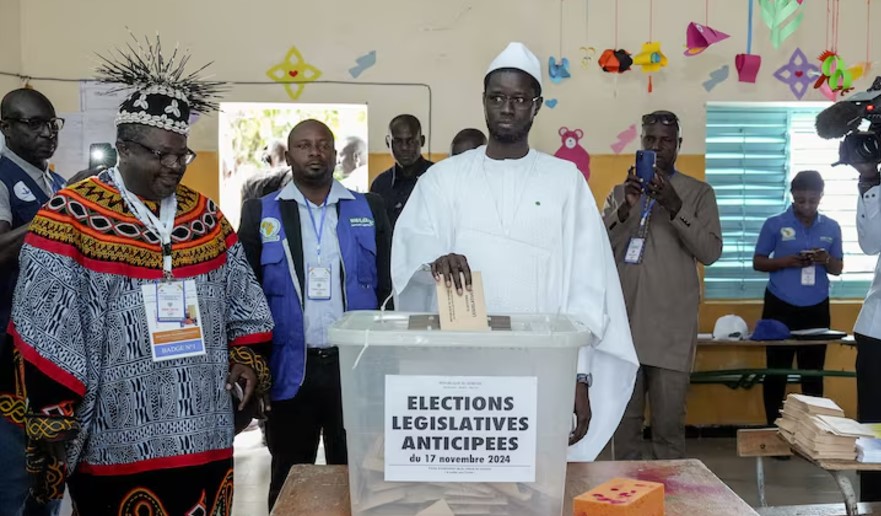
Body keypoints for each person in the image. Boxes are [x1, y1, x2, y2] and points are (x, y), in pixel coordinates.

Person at [8, 37, 275, 515]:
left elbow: (245, 301)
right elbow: (43, 321)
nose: (174, 166)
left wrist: (246, 358)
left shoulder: (205, 217)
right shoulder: (69, 216)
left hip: (203, 427)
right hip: (116, 431)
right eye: (160, 155)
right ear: (124, 150)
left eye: (182, 155)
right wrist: (55, 411)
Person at [391, 42, 639, 462]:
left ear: (537, 106)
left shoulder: (566, 182)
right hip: (461, 374)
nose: (508, 108)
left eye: (520, 99)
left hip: (543, 370)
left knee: (536, 483)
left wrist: (580, 375)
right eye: (498, 97)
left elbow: (586, 285)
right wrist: (434, 258)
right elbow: (412, 243)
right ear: (484, 102)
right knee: (467, 482)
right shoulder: (444, 179)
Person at [238, 119, 392, 510]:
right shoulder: (261, 213)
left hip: (353, 369)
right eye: (304, 146)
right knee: (289, 473)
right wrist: (254, 364)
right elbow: (246, 295)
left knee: (358, 475)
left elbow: (389, 287)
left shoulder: (367, 208)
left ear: (334, 153)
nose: (315, 152)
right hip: (291, 368)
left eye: (323, 144)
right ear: (289, 156)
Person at [0, 88, 98, 516]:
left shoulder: (54, 181)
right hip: (10, 352)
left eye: (51, 124)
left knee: (50, 478)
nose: (46, 133)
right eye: (32, 123)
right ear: (5, 127)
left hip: (55, 349)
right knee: (14, 476)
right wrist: (60, 207)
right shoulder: (3, 176)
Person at [605, 110, 722, 460]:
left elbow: (710, 251)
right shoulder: (619, 193)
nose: (657, 147)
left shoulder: (698, 194)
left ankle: (670, 506)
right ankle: (625, 508)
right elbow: (597, 248)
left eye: (666, 141)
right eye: (650, 140)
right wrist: (625, 209)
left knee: (668, 433)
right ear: (641, 143)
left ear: (679, 145)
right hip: (625, 330)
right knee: (624, 430)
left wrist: (674, 205)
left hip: (671, 330)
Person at [753, 170, 843, 425]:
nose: (807, 206)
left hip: (816, 307)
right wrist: (787, 262)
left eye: (813, 201)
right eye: (801, 200)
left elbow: (837, 268)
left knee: (812, 374)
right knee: (776, 373)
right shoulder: (774, 224)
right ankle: (774, 433)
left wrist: (825, 259)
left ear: (821, 197)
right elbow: (758, 262)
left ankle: (811, 436)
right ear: (792, 195)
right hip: (779, 305)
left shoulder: (832, 227)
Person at [852, 157, 881, 501]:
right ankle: (873, 506)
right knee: (876, 435)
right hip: (878, 332)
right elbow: (871, 243)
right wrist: (870, 181)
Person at [369, 114, 433, 228]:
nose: (404, 147)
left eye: (411, 141)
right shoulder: (380, 185)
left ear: (422, 141)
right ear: (388, 142)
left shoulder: (437, 177)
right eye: (398, 141)